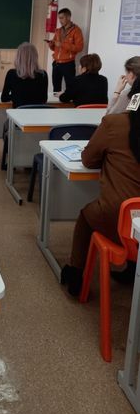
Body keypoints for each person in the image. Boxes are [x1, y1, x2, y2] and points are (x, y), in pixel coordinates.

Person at [61, 78, 140, 296]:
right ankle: (132, 268)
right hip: (135, 222)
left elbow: (88, 159)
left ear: (133, 97)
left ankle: (76, 276)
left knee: (87, 216)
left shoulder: (115, 124)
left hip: (120, 217)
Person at [47, 8, 84, 93]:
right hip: (56, 63)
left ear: (69, 17)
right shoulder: (58, 31)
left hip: (68, 64)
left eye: (62, 18)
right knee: (56, 88)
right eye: (59, 18)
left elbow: (79, 47)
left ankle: (68, 101)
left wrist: (62, 44)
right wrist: (51, 45)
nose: (60, 20)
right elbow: (55, 48)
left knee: (70, 88)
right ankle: (56, 101)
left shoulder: (77, 31)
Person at [0, 42, 48, 108]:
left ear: (18, 57)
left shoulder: (11, 74)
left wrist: (15, 95)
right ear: (35, 57)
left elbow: (4, 98)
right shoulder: (43, 74)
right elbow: (44, 99)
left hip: (18, 114)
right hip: (37, 114)